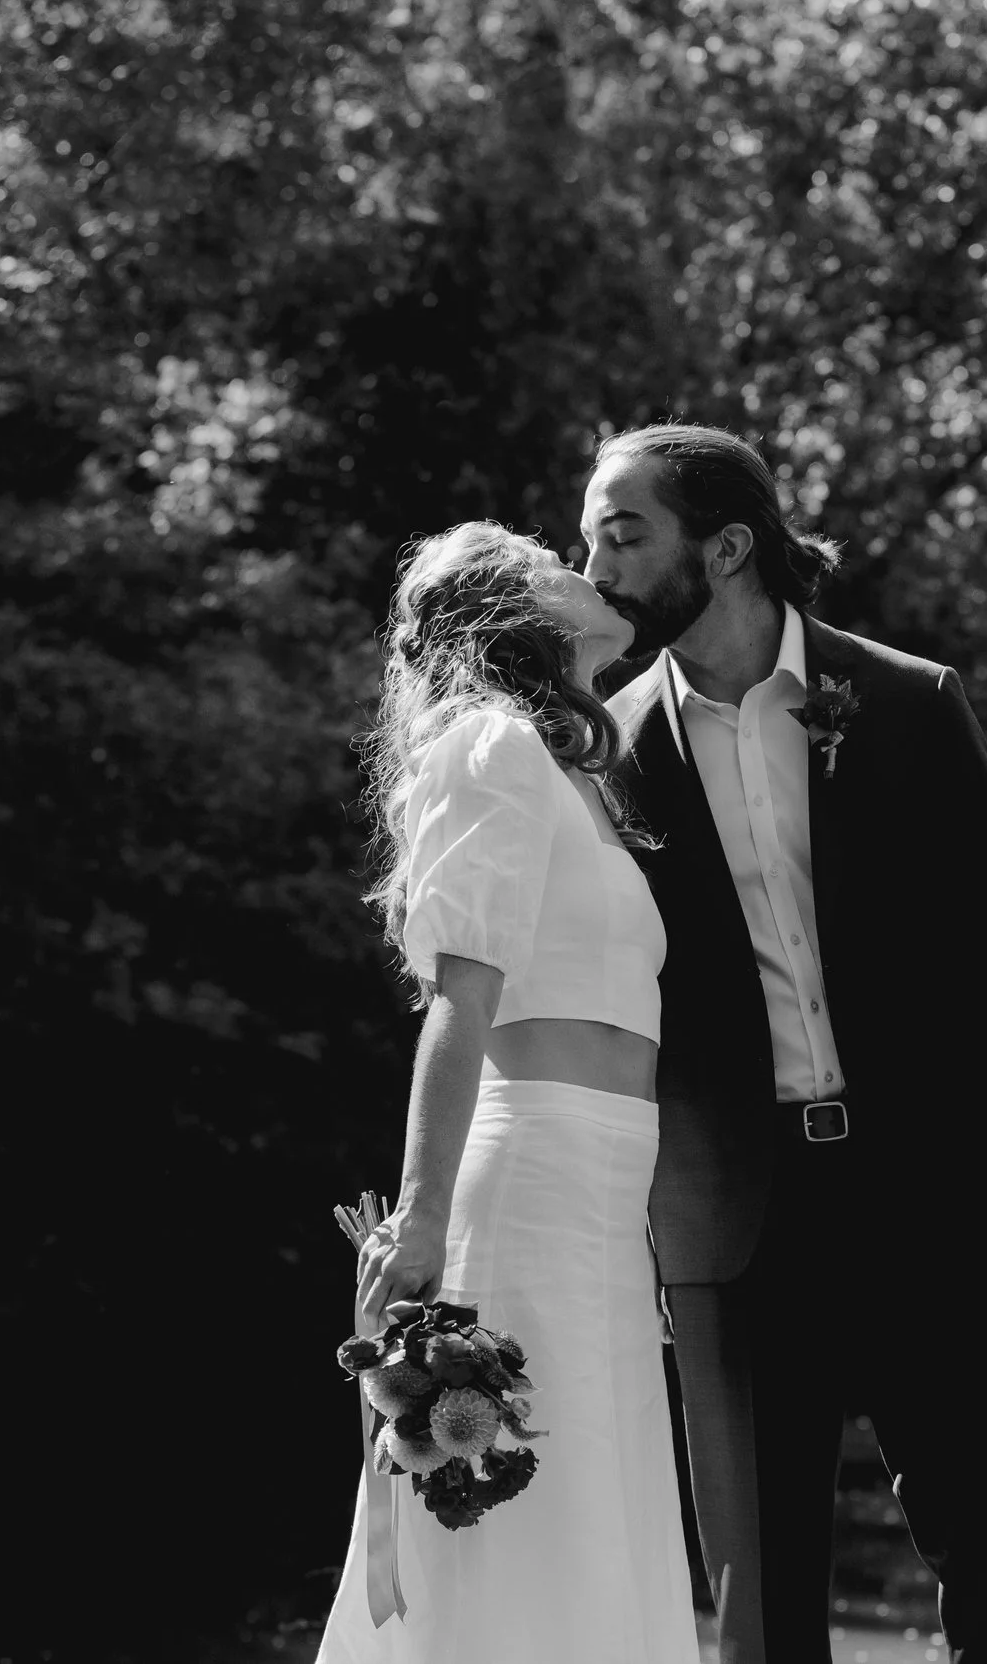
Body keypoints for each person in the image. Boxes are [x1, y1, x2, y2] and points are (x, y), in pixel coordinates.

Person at [587, 426, 987, 1664]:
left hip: (928, 1193)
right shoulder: (601, 752)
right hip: (729, 1227)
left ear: (729, 545)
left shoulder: (911, 704)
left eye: (621, 530)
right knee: (760, 1608)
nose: (588, 561)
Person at [320, 522, 700, 1664]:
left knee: (601, 1496)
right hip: (527, 1177)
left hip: (601, 1191)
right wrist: (425, 1212)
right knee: (527, 1506)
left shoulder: (577, 768)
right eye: (551, 557)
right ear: (511, 610)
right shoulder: (491, 745)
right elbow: (460, 1002)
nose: (584, 567)